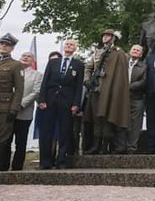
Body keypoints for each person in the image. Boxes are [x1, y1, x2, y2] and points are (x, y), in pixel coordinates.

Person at [38, 39, 84, 169]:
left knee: (65, 132)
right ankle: (45, 162)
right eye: (67, 44)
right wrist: (42, 100)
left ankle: (62, 161)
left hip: (67, 102)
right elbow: (45, 82)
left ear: (75, 48)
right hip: (50, 101)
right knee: (46, 132)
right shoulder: (53, 62)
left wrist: (76, 104)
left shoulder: (78, 64)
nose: (69, 46)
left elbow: (78, 87)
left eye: (72, 45)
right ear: (64, 47)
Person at [84, 29, 130, 154]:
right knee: (97, 117)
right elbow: (89, 68)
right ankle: (96, 145)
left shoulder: (120, 53)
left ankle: (109, 146)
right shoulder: (97, 53)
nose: (105, 37)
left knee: (111, 116)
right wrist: (87, 80)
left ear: (113, 38)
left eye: (108, 35)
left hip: (111, 90)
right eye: (104, 35)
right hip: (97, 88)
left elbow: (121, 74)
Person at [4, 52, 42, 171]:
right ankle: (3, 166)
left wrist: (20, 104)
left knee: (20, 142)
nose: (25, 57)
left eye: (29, 56)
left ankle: (17, 168)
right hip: (7, 111)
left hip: (24, 113)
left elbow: (36, 92)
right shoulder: (11, 71)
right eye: (23, 55)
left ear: (33, 61)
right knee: (5, 141)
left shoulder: (37, 75)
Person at [0, 33, 24, 171]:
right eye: (2, 43)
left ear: (12, 48)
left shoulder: (16, 65)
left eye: (7, 44)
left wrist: (14, 109)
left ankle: (2, 168)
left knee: (3, 139)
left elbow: (19, 89)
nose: (3, 46)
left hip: (5, 107)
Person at [126, 45, 147, 154]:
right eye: (134, 49)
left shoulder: (144, 66)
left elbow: (143, 81)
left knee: (135, 125)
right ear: (130, 51)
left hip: (136, 97)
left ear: (141, 54)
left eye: (138, 50)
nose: (135, 51)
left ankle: (132, 148)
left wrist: (128, 86)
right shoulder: (122, 64)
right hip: (121, 98)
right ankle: (119, 147)